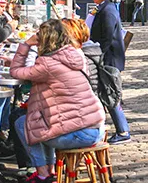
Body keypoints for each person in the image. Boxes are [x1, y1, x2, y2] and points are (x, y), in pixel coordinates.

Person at [11, 20, 107, 182]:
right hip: (95, 127)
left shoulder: (48, 64)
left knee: (24, 123)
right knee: (41, 122)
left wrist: (26, 44)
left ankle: (44, 174)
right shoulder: (75, 55)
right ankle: (50, 171)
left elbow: (15, 72)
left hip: (80, 133)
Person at [89, 0, 131, 144]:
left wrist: (97, 53)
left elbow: (107, 37)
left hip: (109, 58)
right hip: (108, 57)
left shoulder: (108, 10)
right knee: (107, 94)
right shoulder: (104, 8)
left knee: (111, 94)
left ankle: (123, 130)